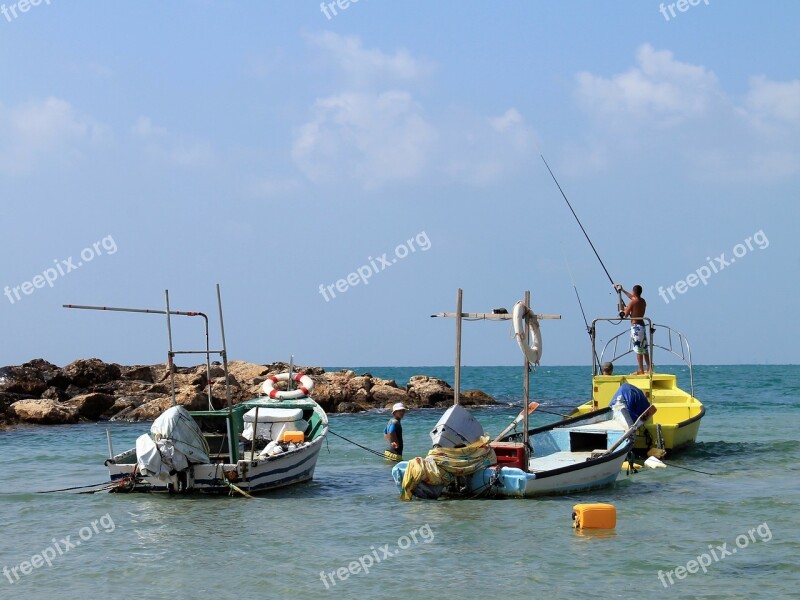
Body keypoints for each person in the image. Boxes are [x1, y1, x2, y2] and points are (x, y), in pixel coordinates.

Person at [615, 283, 651, 374]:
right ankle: (649, 368)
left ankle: (641, 370)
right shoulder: (643, 301)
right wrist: (622, 290)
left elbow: (625, 315)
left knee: (639, 350)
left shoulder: (632, 302)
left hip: (636, 328)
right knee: (645, 348)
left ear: (634, 292)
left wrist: (624, 309)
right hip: (642, 326)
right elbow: (633, 298)